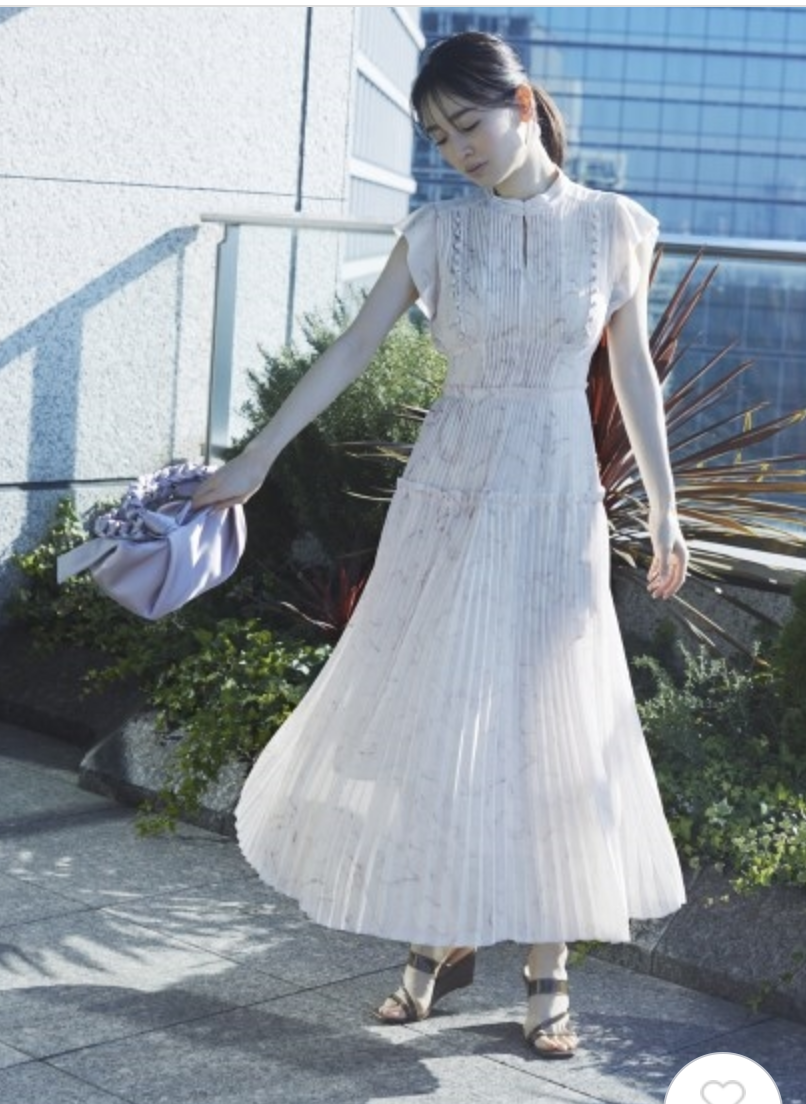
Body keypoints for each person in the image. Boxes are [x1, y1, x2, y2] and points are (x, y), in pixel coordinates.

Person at [192, 31, 688, 1059]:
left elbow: (631, 373)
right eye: (437, 136)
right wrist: (259, 456)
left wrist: (666, 507)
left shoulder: (612, 225)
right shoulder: (436, 232)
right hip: (449, 496)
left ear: (521, 103)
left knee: (553, 722)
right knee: (441, 714)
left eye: (468, 125)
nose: (456, 149)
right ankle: (437, 931)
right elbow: (354, 346)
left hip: (553, 500)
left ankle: (547, 966)